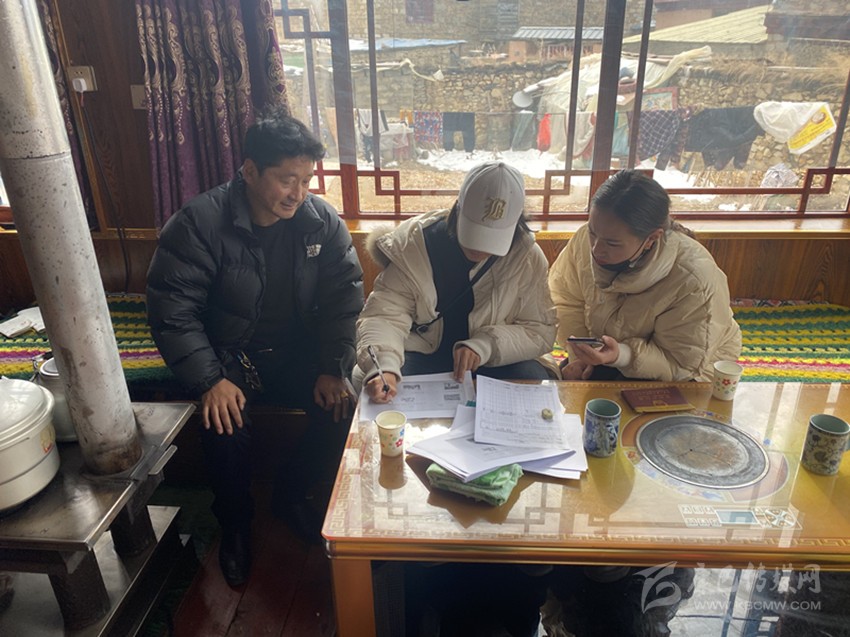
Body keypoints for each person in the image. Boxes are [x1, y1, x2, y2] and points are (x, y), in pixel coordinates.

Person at [146, 113, 364, 588]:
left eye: (306, 180)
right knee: (223, 425)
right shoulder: (199, 223)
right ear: (249, 171)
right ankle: (236, 524)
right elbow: (172, 310)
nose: (298, 193)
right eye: (287, 179)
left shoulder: (320, 222)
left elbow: (344, 297)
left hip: (296, 352)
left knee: (343, 408)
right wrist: (209, 379)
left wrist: (333, 366)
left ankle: (291, 495)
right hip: (230, 356)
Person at [353, 160, 557, 398]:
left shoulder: (526, 257)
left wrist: (485, 345)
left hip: (492, 359)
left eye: (493, 239)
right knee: (379, 385)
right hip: (424, 355)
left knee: (532, 376)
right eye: (475, 233)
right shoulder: (414, 247)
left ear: (516, 225)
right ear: (458, 209)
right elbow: (385, 315)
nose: (481, 249)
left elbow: (538, 330)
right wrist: (385, 365)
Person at [549, 169, 741, 382]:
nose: (596, 249)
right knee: (562, 383)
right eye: (592, 233)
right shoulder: (584, 242)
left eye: (612, 243)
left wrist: (621, 355)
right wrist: (581, 354)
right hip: (606, 352)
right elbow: (565, 301)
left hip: (689, 368)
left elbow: (679, 363)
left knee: (619, 398)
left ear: (651, 238)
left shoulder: (693, 279)